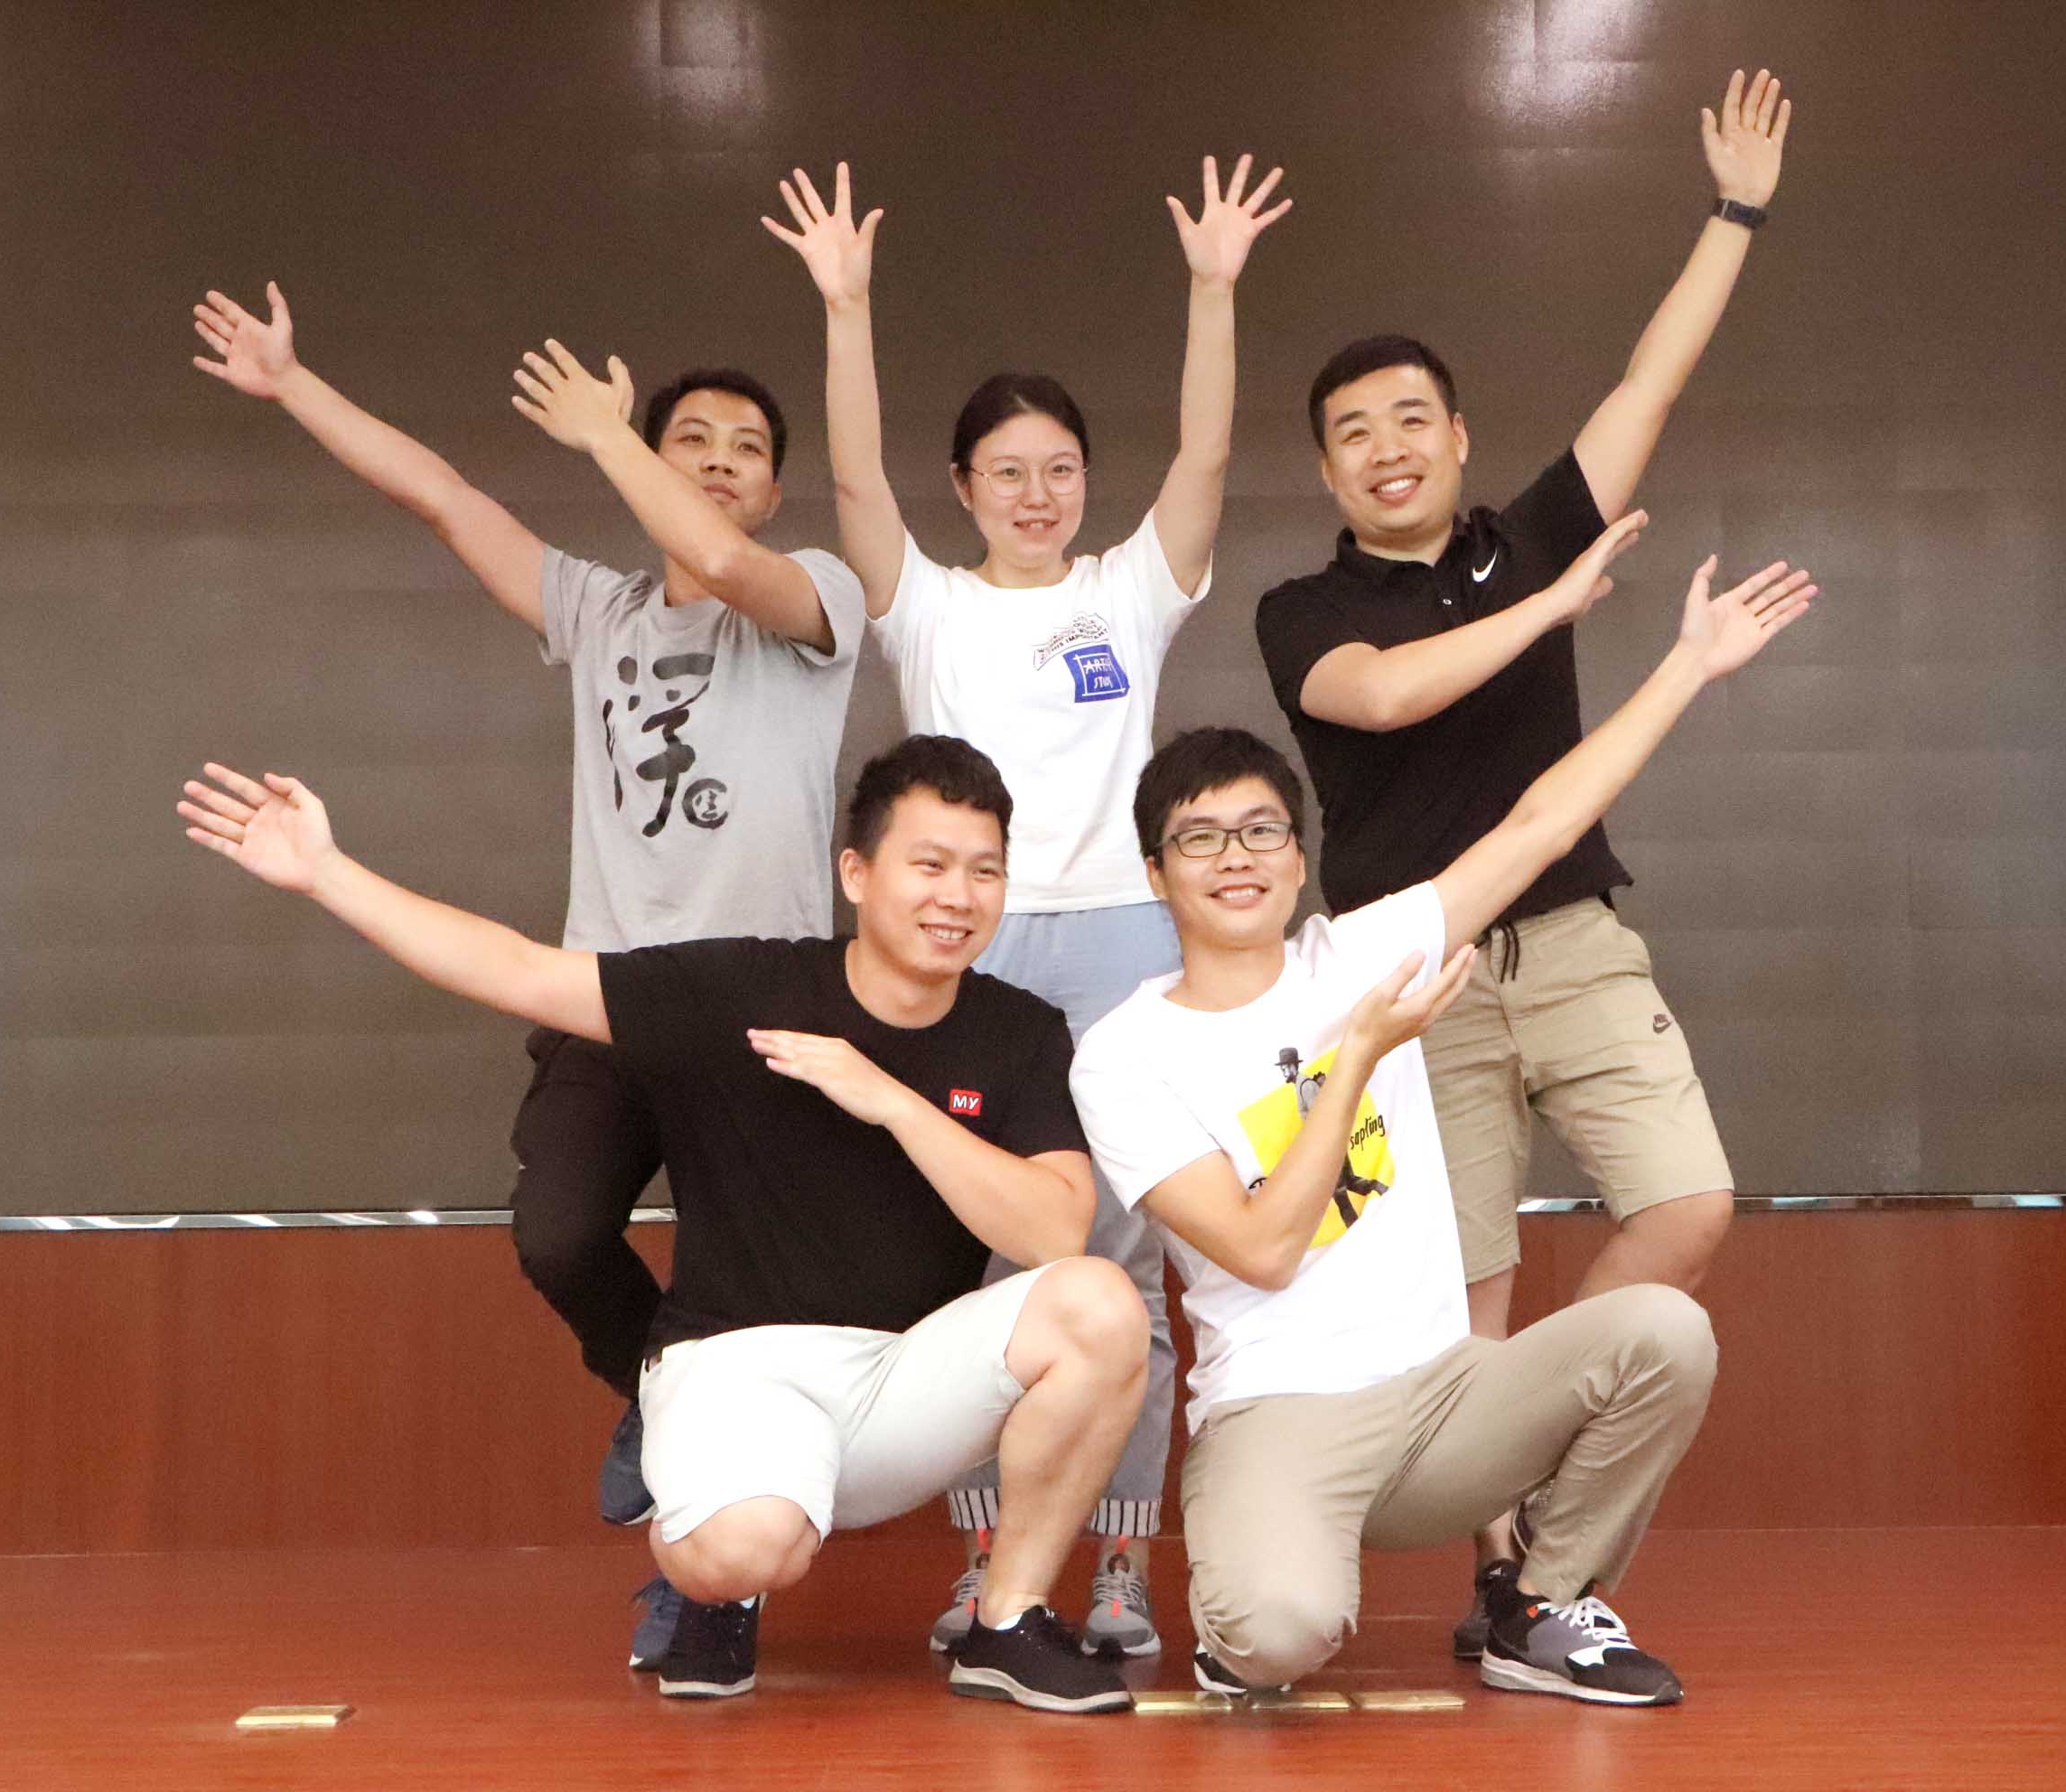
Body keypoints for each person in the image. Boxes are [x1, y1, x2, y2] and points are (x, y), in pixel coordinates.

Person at [175, 735, 1147, 1713]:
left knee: (1100, 1304)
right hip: (740, 1368)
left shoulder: (1018, 1031)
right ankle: (712, 1571)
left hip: (907, 1384)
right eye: (929, 865)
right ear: (856, 873)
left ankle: (1007, 1623)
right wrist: (326, 872)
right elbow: (516, 968)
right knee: (749, 1547)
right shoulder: (743, 990)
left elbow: (1055, 1232)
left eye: (984, 872)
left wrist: (892, 1100)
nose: (957, 897)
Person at [190, 287, 866, 1665]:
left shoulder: (815, 599)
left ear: (776, 488)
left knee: (747, 1303)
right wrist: (294, 383)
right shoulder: (595, 609)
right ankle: (658, 1391)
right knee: (556, 1234)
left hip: (766, 1015)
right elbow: (443, 496)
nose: (719, 463)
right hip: (600, 998)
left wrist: (612, 440)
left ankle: (710, 1593)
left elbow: (720, 561)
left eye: (746, 449)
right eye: (693, 440)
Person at [1248, 68, 1794, 1651]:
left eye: (1410, 419)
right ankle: (1518, 1590)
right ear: (1329, 474)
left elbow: (1650, 380)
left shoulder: (1530, 533)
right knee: (1462, 1295)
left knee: (1690, 1203)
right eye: (1352, 435)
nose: (1385, 448)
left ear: (1459, 435)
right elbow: (1386, 694)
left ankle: (1550, 1510)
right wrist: (1555, 610)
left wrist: (1735, 211)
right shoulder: (1304, 610)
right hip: (1407, 978)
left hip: (1573, 936)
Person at [1075, 555, 1814, 1703]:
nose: (1238, 858)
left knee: (1664, 1333)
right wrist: (1359, 1056)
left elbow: (1540, 825)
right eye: (1201, 837)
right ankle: (1251, 1606)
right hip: (1278, 1409)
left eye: (1262, 830)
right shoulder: (1125, 1051)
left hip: (1442, 1403)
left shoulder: (1364, 950)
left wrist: (1688, 664)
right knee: (1277, 1638)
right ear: (1156, 872)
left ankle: (1538, 1602)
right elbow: (1263, 1248)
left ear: (1300, 855)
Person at [765, 155, 1288, 1658]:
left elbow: (1206, 454)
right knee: (993, 1267)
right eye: (1008, 470)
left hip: (1123, 941)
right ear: (965, 487)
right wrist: (846, 306)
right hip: (970, 954)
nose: (1038, 493)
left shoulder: (1129, 592)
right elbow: (851, 487)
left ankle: (1118, 1566)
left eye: (1060, 467)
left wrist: (1212, 288)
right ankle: (992, 1558)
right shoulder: (922, 604)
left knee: (1121, 1264)